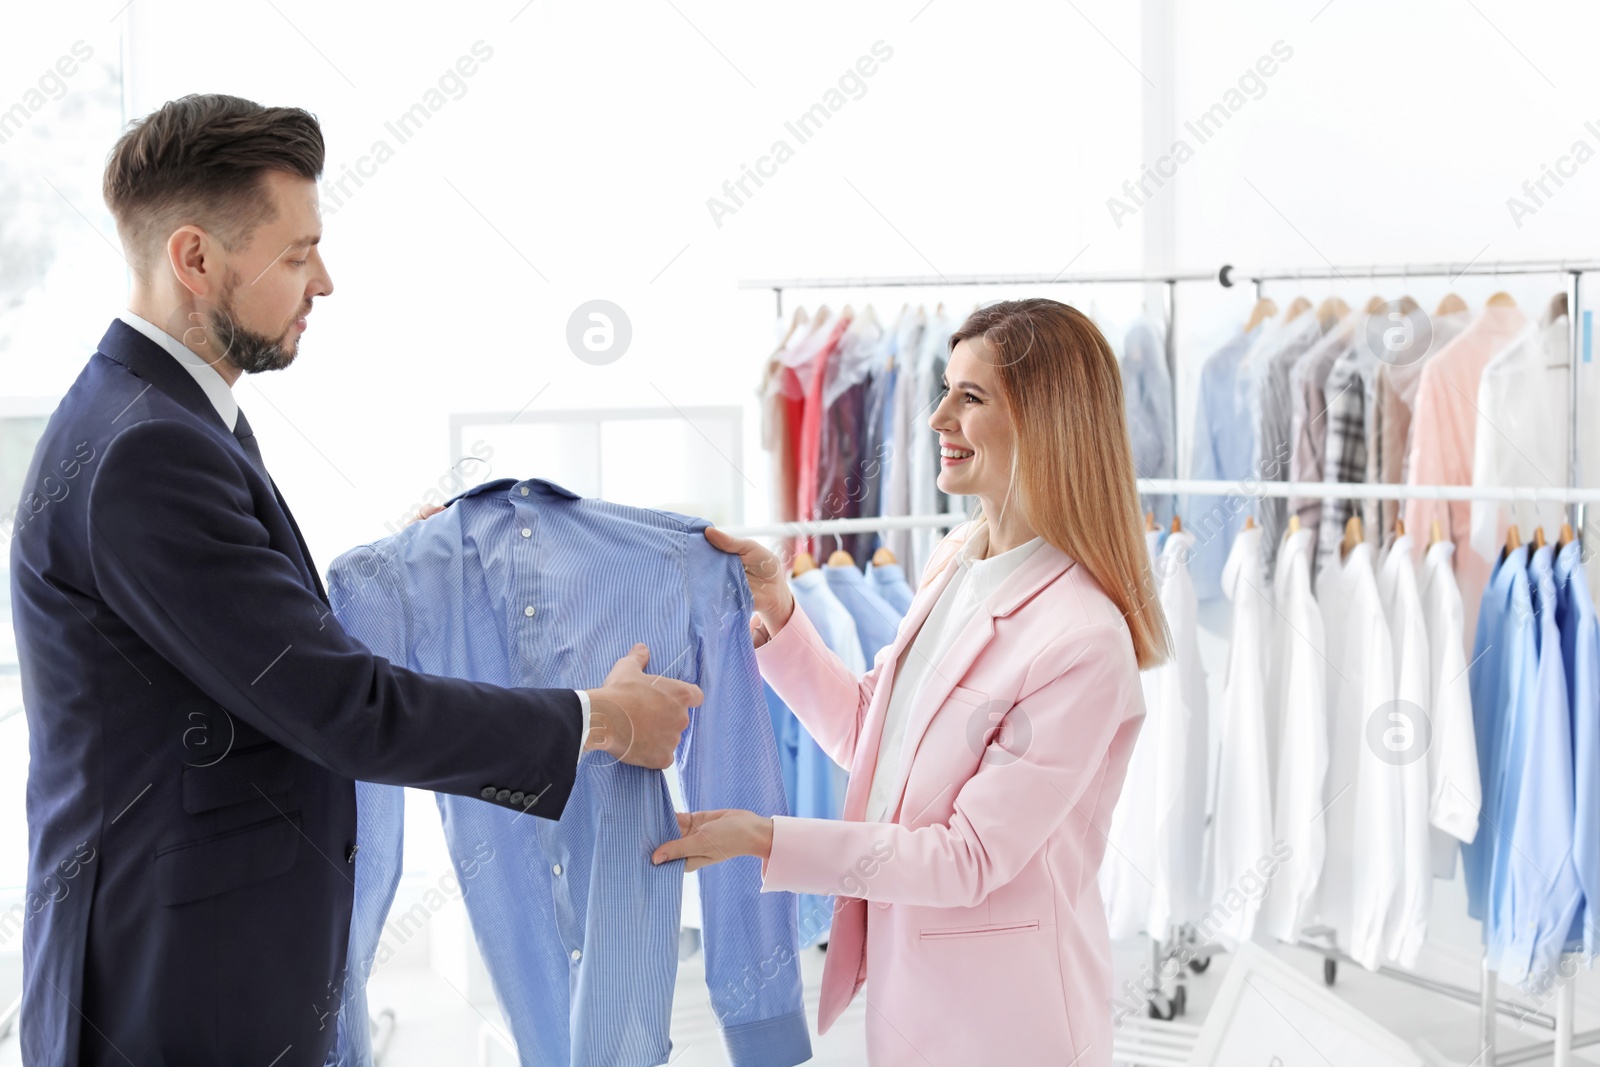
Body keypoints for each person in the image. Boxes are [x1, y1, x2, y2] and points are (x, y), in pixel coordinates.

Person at [8, 94, 700, 1066]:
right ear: (195, 259)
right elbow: (336, 706)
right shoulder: (148, 449)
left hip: (197, 958)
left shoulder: (160, 416)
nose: (323, 280)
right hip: (172, 988)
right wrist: (601, 719)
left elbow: (237, 650)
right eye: (296, 254)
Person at [655, 299, 1169, 1066]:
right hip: (915, 991)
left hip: (1010, 1021)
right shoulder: (956, 559)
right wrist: (782, 614)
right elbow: (874, 737)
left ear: (1046, 421)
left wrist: (765, 838)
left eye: (969, 397)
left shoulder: (1082, 641)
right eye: (943, 390)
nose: (935, 418)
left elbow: (967, 856)